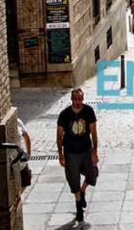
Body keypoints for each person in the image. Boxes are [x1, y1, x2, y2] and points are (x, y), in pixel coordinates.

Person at [56, 88, 99, 222]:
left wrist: (95, 151)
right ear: (71, 100)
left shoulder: (88, 111)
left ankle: (83, 190)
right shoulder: (64, 114)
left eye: (80, 99)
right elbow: (59, 136)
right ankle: (79, 207)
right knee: (73, 180)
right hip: (71, 152)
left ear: (83, 99)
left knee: (92, 173)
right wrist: (61, 155)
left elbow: (94, 132)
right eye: (75, 99)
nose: (78, 102)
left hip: (86, 149)